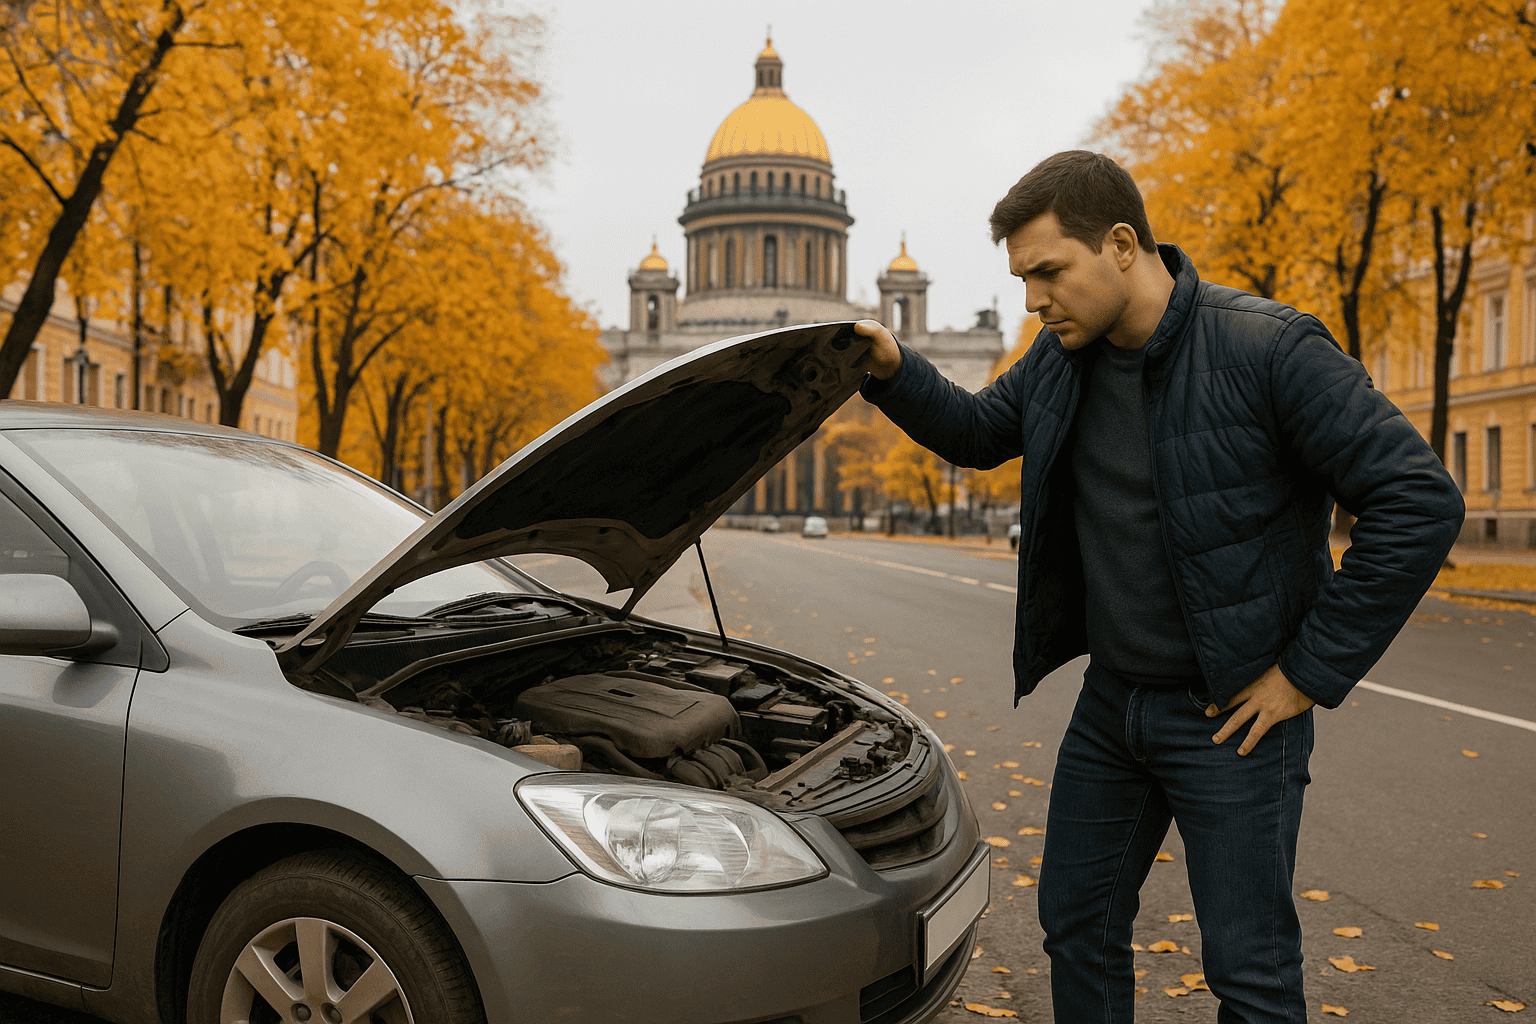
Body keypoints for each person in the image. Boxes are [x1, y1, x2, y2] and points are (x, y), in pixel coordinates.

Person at [852, 150, 1463, 1023]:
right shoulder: (1064, 354)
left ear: (1124, 245)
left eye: (1049, 272)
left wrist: (1305, 674)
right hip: (1114, 706)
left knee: (1248, 972)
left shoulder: (1269, 346)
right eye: (1023, 278)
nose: (1033, 300)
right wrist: (890, 366)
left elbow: (1418, 500)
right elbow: (983, 431)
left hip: (1235, 716)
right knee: (1075, 923)